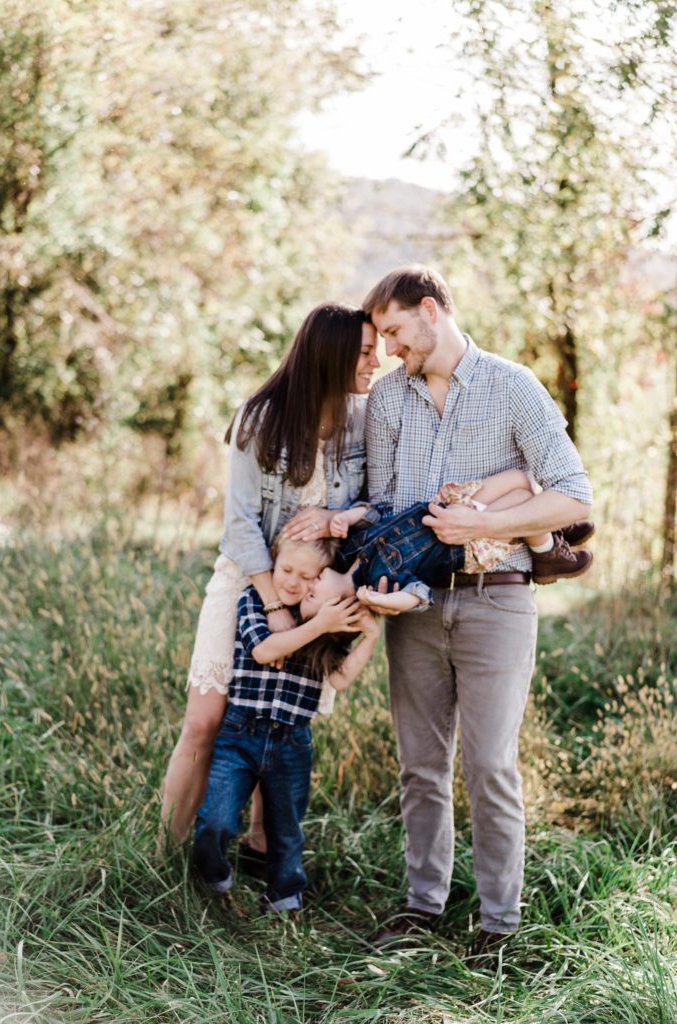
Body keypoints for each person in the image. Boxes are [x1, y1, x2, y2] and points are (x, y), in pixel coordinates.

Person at [359, 265, 593, 958]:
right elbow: (380, 507)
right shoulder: (386, 402)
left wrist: (487, 520)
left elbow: (574, 497)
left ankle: (498, 923)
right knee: (419, 765)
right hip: (414, 608)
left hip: (498, 605)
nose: (390, 349)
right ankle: (421, 905)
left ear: (430, 311)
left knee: (489, 765)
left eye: (396, 331)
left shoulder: (511, 385)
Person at [161, 303, 380, 844]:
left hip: (316, 592)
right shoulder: (259, 419)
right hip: (249, 579)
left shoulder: (365, 422)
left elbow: (384, 504)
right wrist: (274, 606)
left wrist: (338, 517)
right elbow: (239, 525)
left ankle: (261, 855)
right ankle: (164, 851)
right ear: (332, 357)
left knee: (281, 724)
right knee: (206, 719)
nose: (378, 361)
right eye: (367, 352)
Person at [193, 532, 380, 913]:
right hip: (240, 732)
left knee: (287, 828)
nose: (293, 581)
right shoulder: (253, 602)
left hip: (292, 740)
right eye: (286, 569)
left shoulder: (323, 616)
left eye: (306, 575)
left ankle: (284, 897)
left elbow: (341, 678)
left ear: (320, 578)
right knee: (216, 819)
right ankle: (212, 879)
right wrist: (320, 625)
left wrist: (371, 636)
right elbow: (263, 651)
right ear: (273, 564)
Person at [322, 468, 593, 614]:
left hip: (446, 509)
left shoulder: (348, 549)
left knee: (520, 479)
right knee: (522, 499)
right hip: (462, 544)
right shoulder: (378, 586)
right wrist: (389, 601)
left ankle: (552, 528)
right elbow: (419, 595)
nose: (309, 582)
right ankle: (547, 553)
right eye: (310, 595)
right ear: (333, 605)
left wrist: (346, 516)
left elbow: (373, 514)